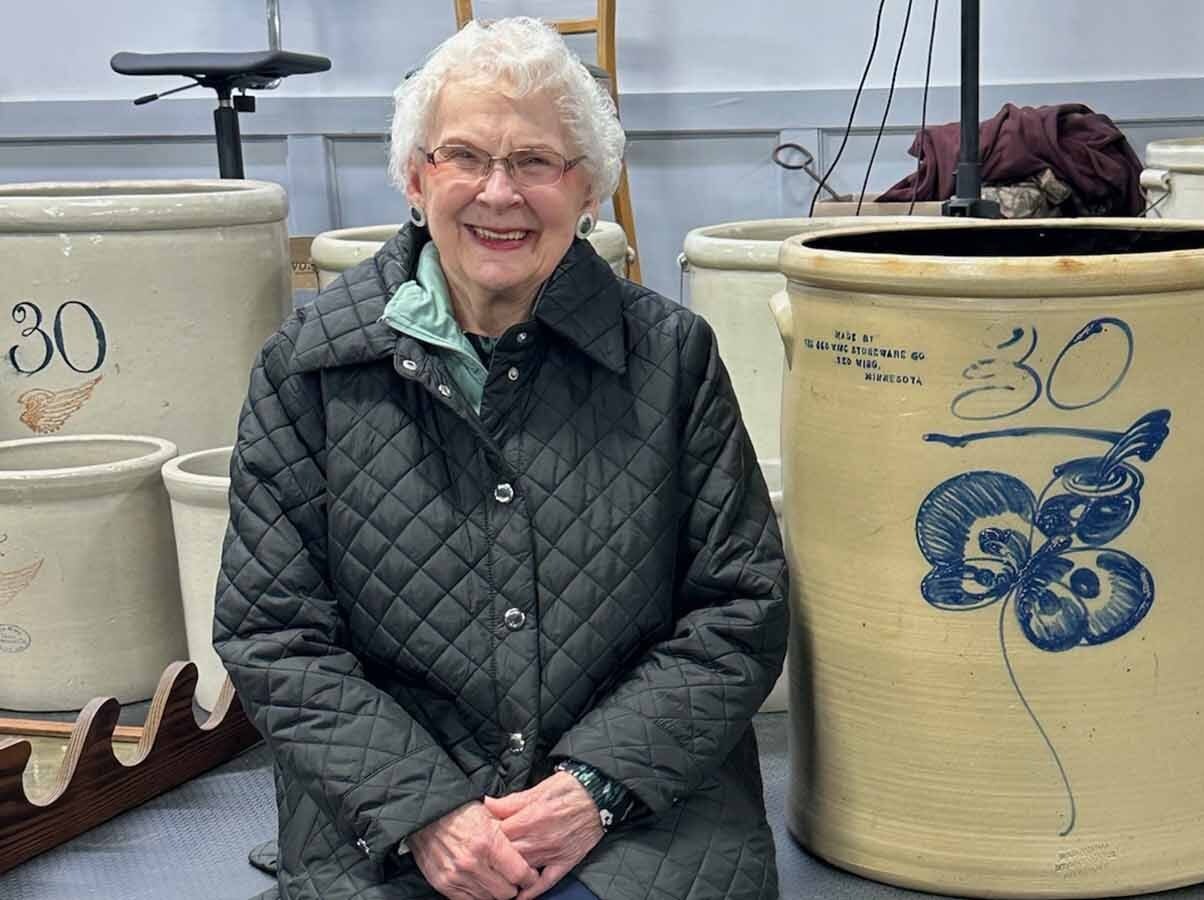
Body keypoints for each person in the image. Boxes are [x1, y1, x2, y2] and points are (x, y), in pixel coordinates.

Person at [214, 17, 787, 900]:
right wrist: (427, 811)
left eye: (536, 162)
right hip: (390, 820)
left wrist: (592, 790)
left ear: (589, 186)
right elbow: (273, 632)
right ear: (414, 178)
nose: (499, 192)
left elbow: (739, 612)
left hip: (636, 822)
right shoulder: (311, 367)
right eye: (464, 157)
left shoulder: (671, 359)